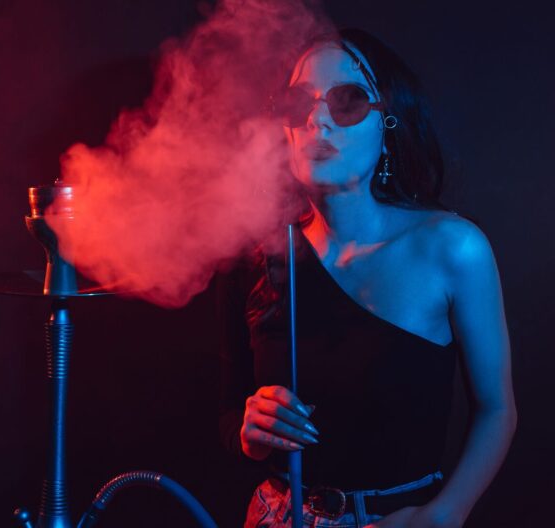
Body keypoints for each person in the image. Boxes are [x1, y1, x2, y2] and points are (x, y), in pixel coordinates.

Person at [217, 28, 517, 528]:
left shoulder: (453, 248)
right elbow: (229, 412)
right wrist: (247, 431)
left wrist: (446, 513)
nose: (318, 120)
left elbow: (497, 408)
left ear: (388, 124)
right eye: (298, 104)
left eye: (348, 100)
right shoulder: (257, 258)